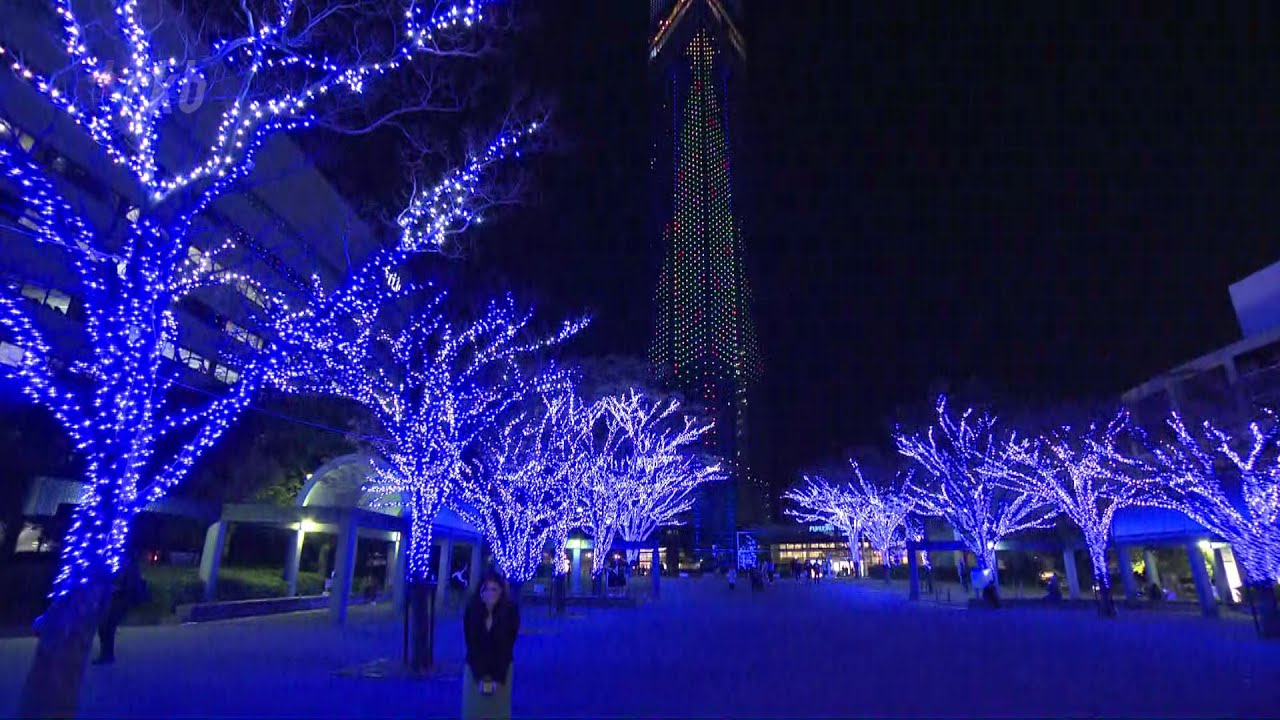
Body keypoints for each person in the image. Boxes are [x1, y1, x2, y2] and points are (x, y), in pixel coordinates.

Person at [462, 570, 519, 720]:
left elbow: (507, 646)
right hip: (475, 668)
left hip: (501, 669)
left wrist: (496, 677)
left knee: (498, 711)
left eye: (494, 589)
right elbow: (471, 644)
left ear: (501, 591)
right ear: (480, 590)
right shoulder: (472, 610)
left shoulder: (510, 612)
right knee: (473, 710)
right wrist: (480, 676)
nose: (490, 593)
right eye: (486, 589)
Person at [94, 552, 148, 665]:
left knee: (108, 626)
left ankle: (107, 654)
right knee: (105, 626)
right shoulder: (118, 563)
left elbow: (129, 585)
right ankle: (107, 654)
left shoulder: (128, 564)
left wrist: (117, 588)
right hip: (113, 597)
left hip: (120, 598)